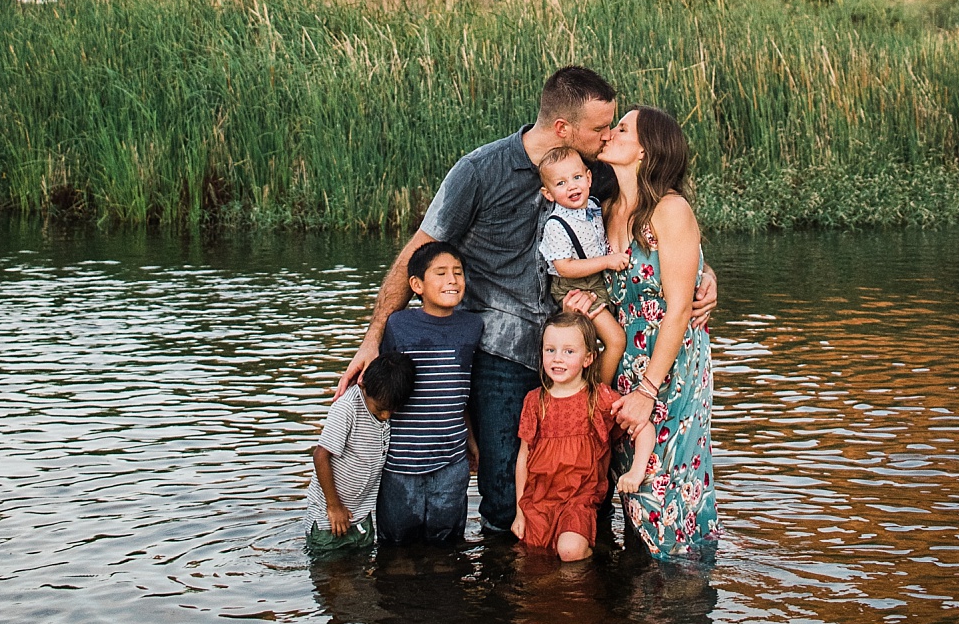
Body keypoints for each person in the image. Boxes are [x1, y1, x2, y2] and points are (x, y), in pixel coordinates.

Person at [336, 66, 718, 535]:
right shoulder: (479, 171)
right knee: (503, 489)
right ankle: (509, 595)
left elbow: (659, 233)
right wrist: (373, 339)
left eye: (612, 127)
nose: (605, 137)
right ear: (563, 128)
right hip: (503, 354)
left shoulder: (596, 174)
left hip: (579, 349)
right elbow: (418, 252)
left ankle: (586, 592)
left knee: (590, 482)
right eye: (600, 128)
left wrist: (705, 274)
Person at [595, 106, 720, 559]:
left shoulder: (670, 210)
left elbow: (680, 307)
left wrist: (648, 389)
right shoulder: (606, 207)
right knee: (629, 482)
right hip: (621, 365)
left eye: (622, 129)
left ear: (645, 151)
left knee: (669, 482)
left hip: (670, 370)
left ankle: (684, 584)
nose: (611, 133)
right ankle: (637, 598)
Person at [512, 310, 654, 563]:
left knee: (570, 551)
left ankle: (597, 561)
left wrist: (636, 471)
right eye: (550, 350)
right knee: (535, 561)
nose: (558, 359)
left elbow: (643, 426)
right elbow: (524, 456)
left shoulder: (599, 398)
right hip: (539, 499)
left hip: (579, 498)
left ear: (588, 358)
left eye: (569, 351)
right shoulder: (535, 401)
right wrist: (519, 511)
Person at [376, 241, 482, 545]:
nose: (452, 280)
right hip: (401, 461)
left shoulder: (472, 325)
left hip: (451, 459)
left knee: (447, 544)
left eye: (458, 273)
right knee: (396, 546)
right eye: (441, 273)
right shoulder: (399, 324)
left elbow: (462, 392)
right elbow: (383, 389)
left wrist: (471, 440)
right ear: (416, 285)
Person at [305, 351, 416, 557]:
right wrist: (334, 506)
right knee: (330, 577)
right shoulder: (347, 408)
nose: (385, 416)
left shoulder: (385, 399)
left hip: (361, 517)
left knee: (362, 578)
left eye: (391, 411)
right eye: (380, 409)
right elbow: (320, 456)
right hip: (328, 520)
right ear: (363, 387)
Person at [537, 146, 628, 384]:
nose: (572, 187)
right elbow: (564, 267)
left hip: (595, 280)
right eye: (561, 183)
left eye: (577, 178)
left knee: (602, 341)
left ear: (589, 178)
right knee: (616, 340)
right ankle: (598, 395)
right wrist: (607, 261)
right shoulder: (556, 225)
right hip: (573, 286)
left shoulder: (594, 207)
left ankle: (596, 382)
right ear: (548, 194)